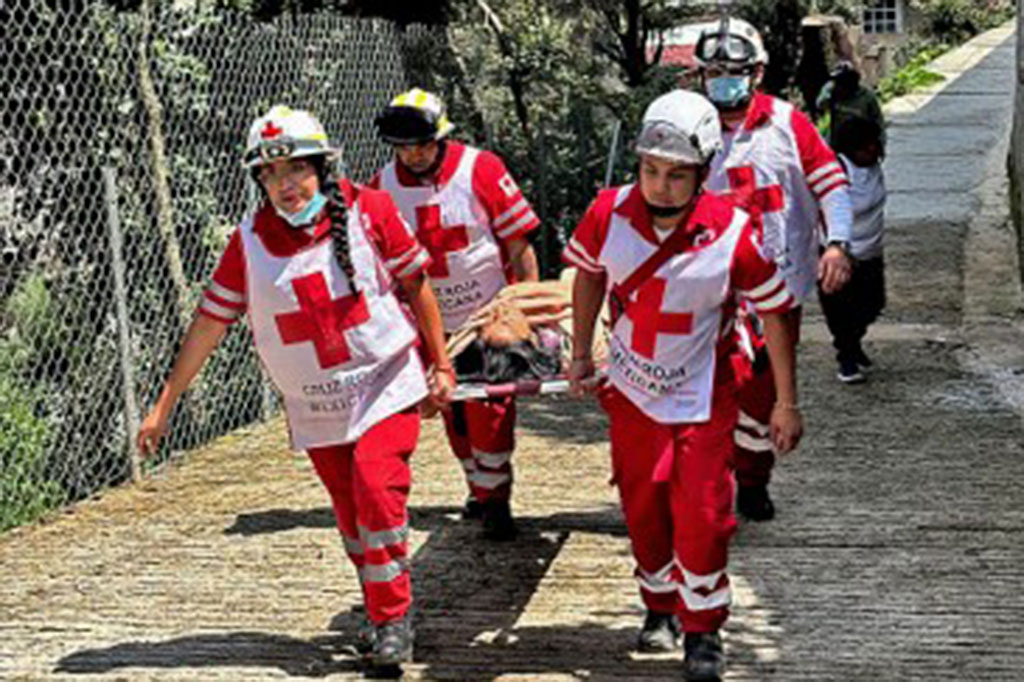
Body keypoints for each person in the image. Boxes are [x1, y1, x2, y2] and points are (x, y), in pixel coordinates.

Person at [136, 105, 453, 671]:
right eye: (270, 175)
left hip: (385, 383)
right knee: (351, 512)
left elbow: (416, 285)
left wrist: (441, 365)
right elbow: (210, 323)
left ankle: (392, 621)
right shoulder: (248, 244)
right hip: (316, 403)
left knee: (376, 488)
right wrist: (165, 404)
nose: (285, 186)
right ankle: (380, 603)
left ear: (321, 169)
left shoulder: (370, 211)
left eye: (296, 172)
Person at [565, 90, 803, 682]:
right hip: (633, 390)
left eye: (677, 175)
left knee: (702, 509)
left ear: (702, 174)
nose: (660, 185)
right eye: (650, 170)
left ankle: (703, 629)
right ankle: (658, 604)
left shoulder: (731, 232)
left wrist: (786, 401)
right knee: (643, 505)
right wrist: (578, 351)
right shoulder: (605, 213)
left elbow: (775, 310)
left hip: (708, 388)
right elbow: (589, 278)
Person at [694, 16, 854, 521]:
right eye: (712, 70)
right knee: (707, 391)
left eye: (733, 70)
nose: (722, 79)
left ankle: (753, 478)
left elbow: (832, 183)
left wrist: (838, 244)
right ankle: (709, 485)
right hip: (707, 290)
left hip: (778, 289)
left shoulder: (788, 123)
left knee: (764, 395)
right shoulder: (686, 127)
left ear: (756, 72)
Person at [370, 88, 541, 541]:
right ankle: (479, 486)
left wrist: (527, 311)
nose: (414, 155)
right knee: (453, 411)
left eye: (423, 145)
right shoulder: (381, 188)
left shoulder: (480, 169)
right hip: (431, 325)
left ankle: (496, 498)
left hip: (490, 316)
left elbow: (519, 244)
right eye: (403, 147)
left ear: (441, 137)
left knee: (493, 407)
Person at [818, 115, 887, 383]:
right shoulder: (836, 170)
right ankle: (846, 358)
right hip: (838, 253)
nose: (870, 151)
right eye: (863, 147)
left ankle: (853, 343)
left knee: (872, 304)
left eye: (873, 145)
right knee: (842, 311)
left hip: (871, 250)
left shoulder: (873, 169)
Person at [816, 60, 886, 154]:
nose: (840, 85)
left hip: (859, 149)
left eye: (843, 81)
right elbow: (820, 106)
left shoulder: (866, 97)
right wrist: (829, 93)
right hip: (837, 145)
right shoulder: (833, 93)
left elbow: (878, 122)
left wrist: (879, 145)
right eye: (838, 81)